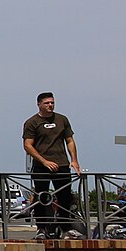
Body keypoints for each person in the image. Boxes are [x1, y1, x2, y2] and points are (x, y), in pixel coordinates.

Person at [22, 92, 81, 239]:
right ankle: (41, 228)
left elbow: (70, 140)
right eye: (47, 103)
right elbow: (28, 145)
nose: (50, 105)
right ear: (39, 104)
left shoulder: (62, 119)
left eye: (52, 103)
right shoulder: (32, 122)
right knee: (41, 197)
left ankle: (66, 227)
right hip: (42, 166)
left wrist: (74, 160)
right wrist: (44, 161)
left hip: (61, 164)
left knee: (65, 197)